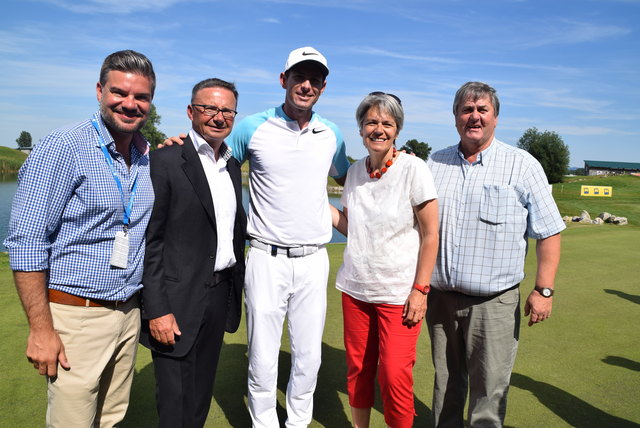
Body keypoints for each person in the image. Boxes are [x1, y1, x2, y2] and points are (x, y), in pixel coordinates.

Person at [4, 50, 156, 427]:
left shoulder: (144, 155)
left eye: (141, 97)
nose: (130, 104)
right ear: (99, 91)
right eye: (119, 92)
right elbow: (26, 242)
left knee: (111, 419)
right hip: (76, 315)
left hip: (127, 312)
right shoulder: (63, 147)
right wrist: (41, 330)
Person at [426, 81, 565, 427]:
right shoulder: (433, 163)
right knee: (446, 385)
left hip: (495, 304)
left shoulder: (522, 165)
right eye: (466, 110)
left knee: (489, 392)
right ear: (456, 117)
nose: (474, 117)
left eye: (482, 110)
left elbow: (549, 232)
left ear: (495, 117)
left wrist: (543, 289)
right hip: (440, 300)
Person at [139, 78, 247, 427]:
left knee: (200, 396)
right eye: (209, 108)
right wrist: (157, 309)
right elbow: (150, 241)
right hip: (175, 301)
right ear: (191, 112)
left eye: (227, 110)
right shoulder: (165, 161)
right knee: (174, 403)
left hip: (218, 297)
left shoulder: (230, 165)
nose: (218, 116)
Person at [331, 92, 439, 428]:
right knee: (359, 371)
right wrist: (318, 207)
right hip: (356, 289)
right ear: (361, 128)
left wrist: (421, 289)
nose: (378, 129)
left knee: (394, 376)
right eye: (371, 122)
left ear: (397, 130)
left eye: (386, 123)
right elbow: (354, 227)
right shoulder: (353, 173)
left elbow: (431, 234)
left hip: (398, 294)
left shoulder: (413, 168)